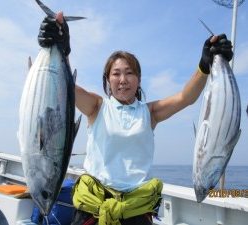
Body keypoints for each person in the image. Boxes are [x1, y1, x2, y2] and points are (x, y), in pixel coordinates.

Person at [38, 12, 233, 225]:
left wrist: (204, 66)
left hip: (136, 211)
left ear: (138, 79)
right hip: (93, 209)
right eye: (116, 74)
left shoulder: (150, 113)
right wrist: (62, 48)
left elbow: (186, 98)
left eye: (129, 73)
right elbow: (66, 86)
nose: (123, 80)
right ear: (107, 80)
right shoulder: (96, 107)